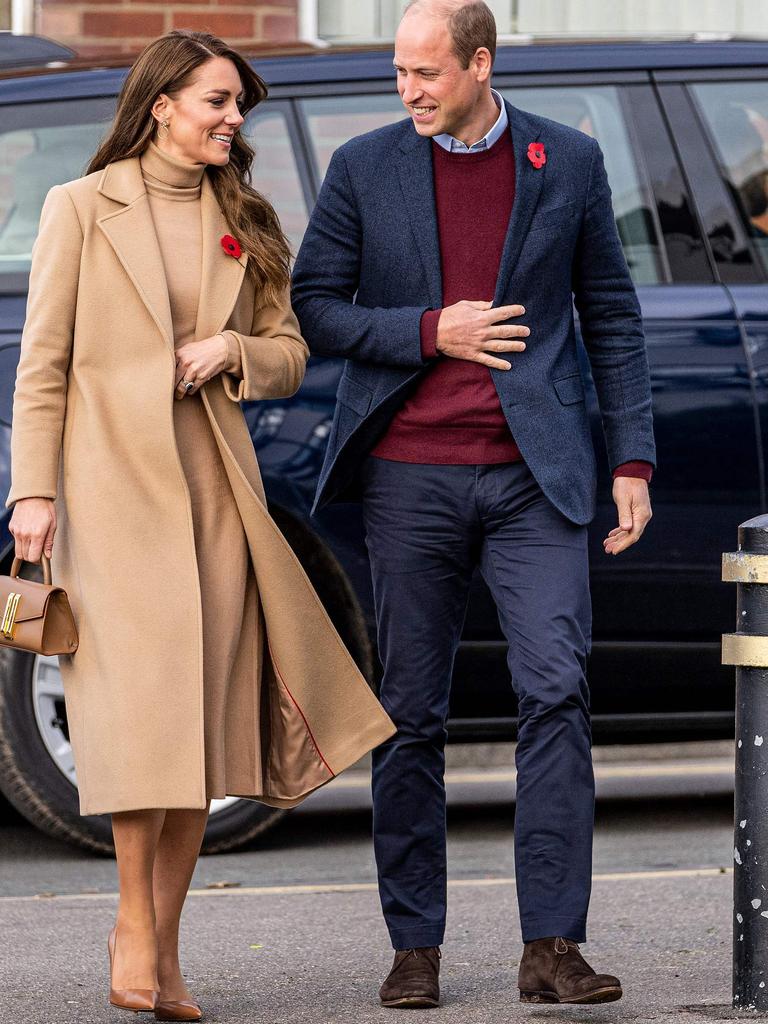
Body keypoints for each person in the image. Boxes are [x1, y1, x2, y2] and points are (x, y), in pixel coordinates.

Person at [7, 30, 393, 1022]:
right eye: (218, 100)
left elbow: (290, 352)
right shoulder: (82, 209)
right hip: (110, 495)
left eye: (237, 106)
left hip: (216, 497)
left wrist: (232, 347)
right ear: (162, 103)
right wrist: (33, 495)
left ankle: (159, 955)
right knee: (140, 734)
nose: (233, 118)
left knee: (198, 739)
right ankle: (134, 932)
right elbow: (42, 363)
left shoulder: (245, 216)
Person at [292, 0, 655, 1009]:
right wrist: (428, 330)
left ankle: (554, 946)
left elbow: (614, 316)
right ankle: (416, 947)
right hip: (412, 475)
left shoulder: (567, 161)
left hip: (538, 476)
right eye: (398, 73)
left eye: (426, 73)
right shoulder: (364, 166)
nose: (407, 90)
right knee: (409, 713)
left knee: (557, 690)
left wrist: (632, 458)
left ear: (479, 63)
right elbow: (314, 305)